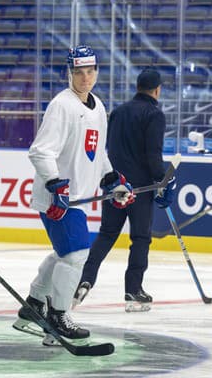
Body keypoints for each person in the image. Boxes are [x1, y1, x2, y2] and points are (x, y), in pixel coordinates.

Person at [12, 46, 135, 343]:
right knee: (77, 254)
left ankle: (33, 306)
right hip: (59, 199)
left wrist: (110, 179)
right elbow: (40, 151)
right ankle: (58, 316)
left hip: (77, 196)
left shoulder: (98, 107)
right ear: (70, 73)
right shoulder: (61, 105)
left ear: (96, 72)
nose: (84, 77)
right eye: (78, 72)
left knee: (66, 254)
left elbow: (95, 152)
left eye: (90, 71)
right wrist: (56, 185)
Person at [72, 67, 175, 313]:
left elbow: (109, 149)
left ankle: (84, 279)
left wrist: (113, 180)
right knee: (140, 238)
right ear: (157, 90)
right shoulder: (154, 115)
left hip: (116, 185)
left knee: (107, 234)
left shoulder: (118, 112)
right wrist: (163, 181)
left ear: (137, 87)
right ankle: (133, 291)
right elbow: (153, 155)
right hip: (140, 189)